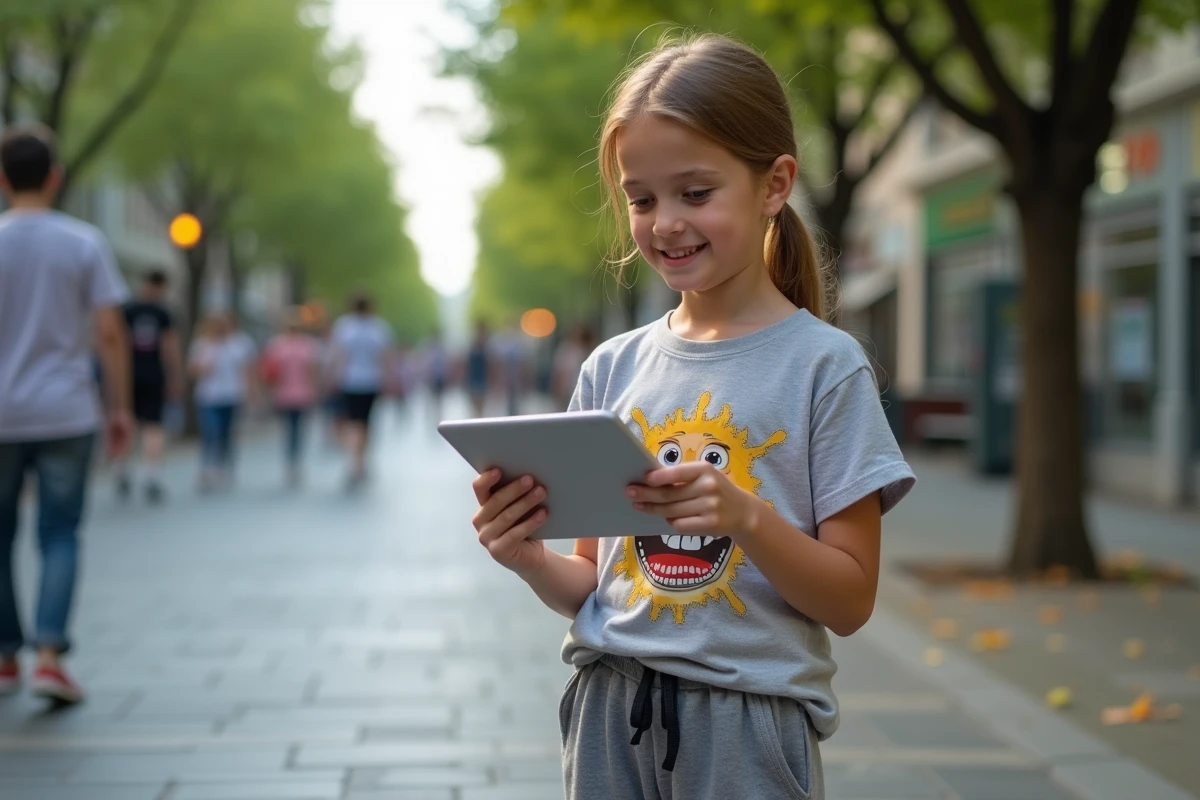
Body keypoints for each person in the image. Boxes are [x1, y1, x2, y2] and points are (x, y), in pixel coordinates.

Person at [466, 35, 916, 799]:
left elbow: (850, 600)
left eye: (695, 193)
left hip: (749, 723)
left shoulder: (824, 365)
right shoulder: (612, 367)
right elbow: (597, 583)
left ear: (774, 184)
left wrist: (745, 516)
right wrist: (527, 557)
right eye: (641, 199)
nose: (664, 223)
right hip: (609, 708)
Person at [0, 124, 133, 704]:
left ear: (2, 179)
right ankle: (50, 656)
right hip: (66, 411)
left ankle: (5, 658)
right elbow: (108, 331)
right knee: (60, 533)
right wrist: (121, 408)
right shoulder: (84, 243)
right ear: (55, 177)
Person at [116, 269, 183, 503]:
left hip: (128, 374)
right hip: (154, 374)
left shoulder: (127, 311)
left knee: (129, 422)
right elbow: (169, 347)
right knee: (153, 426)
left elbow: (116, 343)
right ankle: (151, 476)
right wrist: (175, 377)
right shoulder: (163, 313)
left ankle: (123, 469)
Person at [328, 292, 394, 488]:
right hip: (371, 382)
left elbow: (338, 355)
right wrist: (389, 379)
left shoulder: (344, 326)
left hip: (349, 381)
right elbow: (384, 357)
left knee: (352, 422)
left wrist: (332, 377)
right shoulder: (378, 328)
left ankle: (355, 461)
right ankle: (362, 460)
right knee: (366, 423)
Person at [189, 313, 256, 492]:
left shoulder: (239, 344)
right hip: (208, 396)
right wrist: (204, 366)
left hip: (232, 395)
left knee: (227, 433)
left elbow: (248, 370)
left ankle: (224, 466)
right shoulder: (203, 344)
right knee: (210, 432)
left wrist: (251, 392)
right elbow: (193, 369)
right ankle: (206, 468)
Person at [261, 309, 322, 487]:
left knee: (294, 429)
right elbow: (270, 371)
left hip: (296, 393)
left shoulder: (282, 344)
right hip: (289, 393)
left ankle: (293, 462)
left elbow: (312, 370)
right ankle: (292, 462)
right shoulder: (292, 345)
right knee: (292, 429)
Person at [552, 324, 595, 411]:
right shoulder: (571, 351)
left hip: (572, 390)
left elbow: (560, 374)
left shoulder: (567, 351)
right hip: (572, 390)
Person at [465, 320, 492, 417]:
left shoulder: (487, 346)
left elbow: (491, 364)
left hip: (482, 377)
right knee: (475, 403)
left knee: (481, 403)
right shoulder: (472, 345)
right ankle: (477, 418)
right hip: (473, 377)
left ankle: (479, 418)